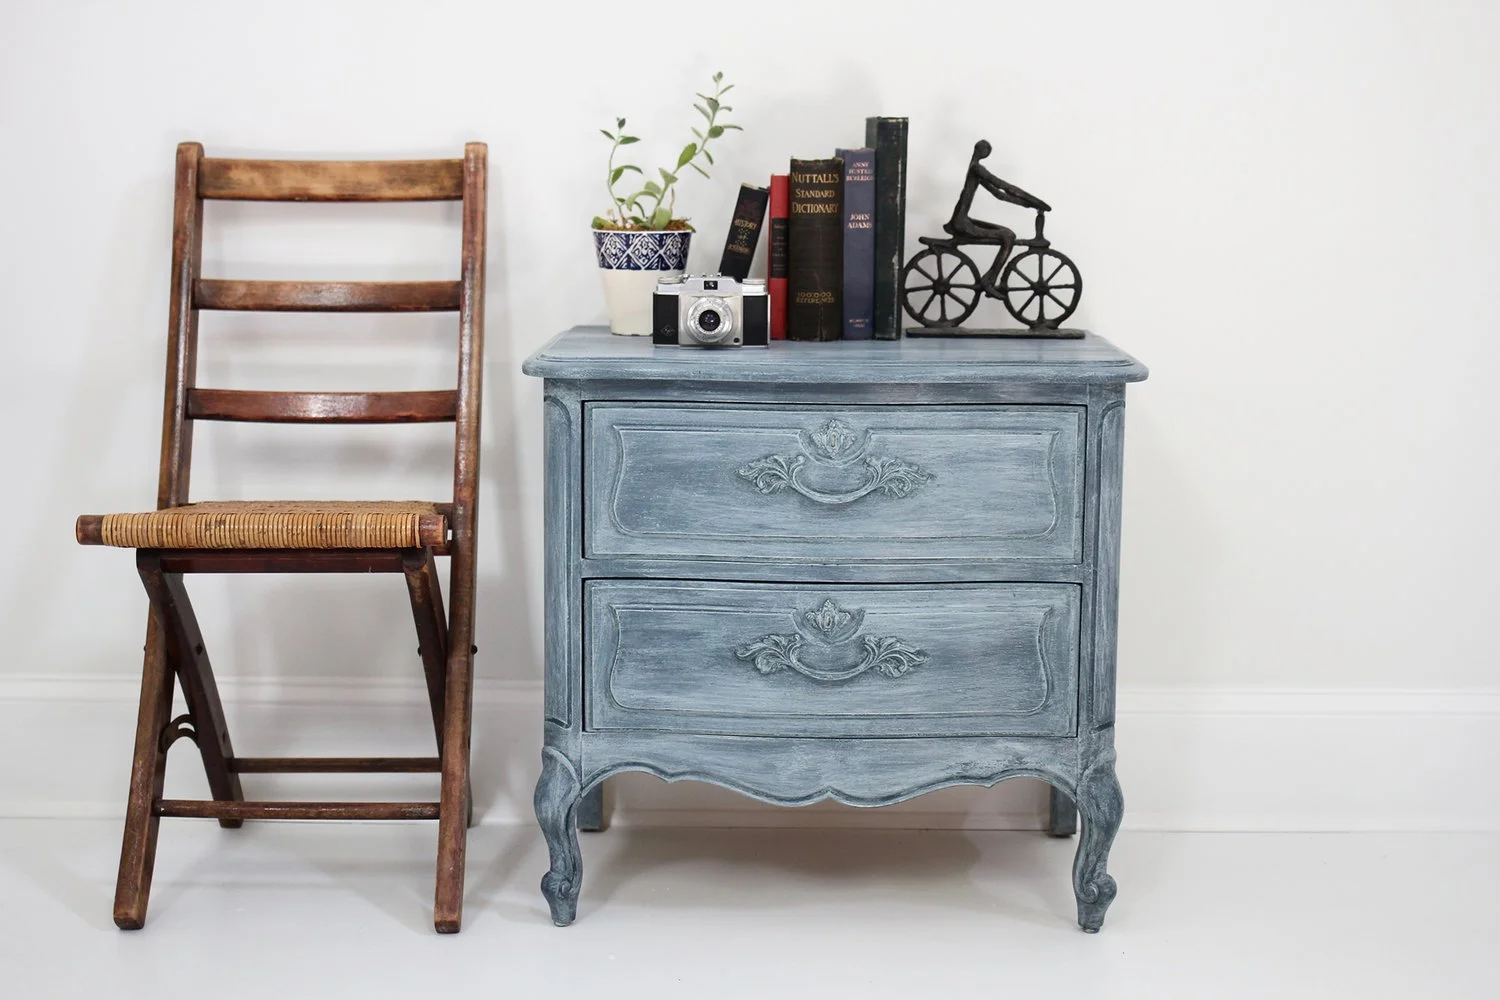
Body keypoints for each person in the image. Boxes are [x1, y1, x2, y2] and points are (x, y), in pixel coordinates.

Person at [944, 140, 1051, 267]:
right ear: (984, 151)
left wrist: (1027, 204)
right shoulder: (977, 168)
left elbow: (999, 194)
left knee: (1006, 231)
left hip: (961, 219)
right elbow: (1005, 187)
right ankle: (990, 279)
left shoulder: (975, 170)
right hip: (961, 223)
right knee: (1009, 236)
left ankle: (990, 279)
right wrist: (1036, 201)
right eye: (987, 150)